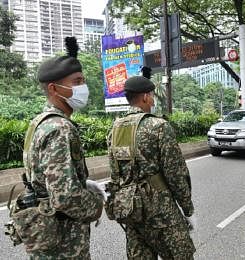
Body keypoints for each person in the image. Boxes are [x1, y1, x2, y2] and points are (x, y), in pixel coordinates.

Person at [9, 37, 104, 259]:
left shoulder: (39, 122)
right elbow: (65, 196)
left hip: (47, 235)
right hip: (64, 241)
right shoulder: (60, 127)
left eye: (83, 81)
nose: (84, 88)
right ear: (53, 88)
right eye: (77, 81)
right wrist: (96, 205)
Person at [105, 76, 196, 259]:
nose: (153, 100)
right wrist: (187, 209)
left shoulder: (114, 130)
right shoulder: (159, 126)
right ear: (145, 97)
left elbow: (116, 175)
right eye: (152, 96)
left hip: (131, 211)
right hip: (161, 210)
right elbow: (176, 173)